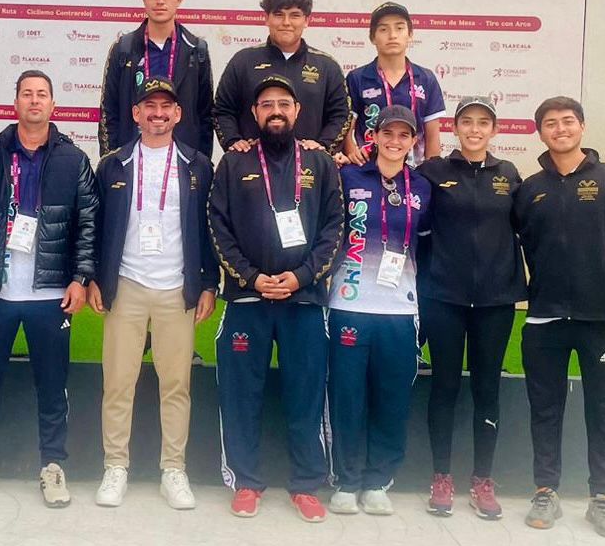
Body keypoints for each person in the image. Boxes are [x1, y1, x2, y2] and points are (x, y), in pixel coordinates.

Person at [0, 70, 98, 509]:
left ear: (53, 104)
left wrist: (80, 278)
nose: (34, 101)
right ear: (14, 103)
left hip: (50, 296)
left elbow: (88, 224)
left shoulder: (73, 160)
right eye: (27, 94)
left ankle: (53, 465)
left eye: (42, 95)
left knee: (52, 388)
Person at [207, 75, 344, 521]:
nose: (276, 111)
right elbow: (217, 226)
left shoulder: (321, 164)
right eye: (266, 104)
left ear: (298, 110)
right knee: (240, 395)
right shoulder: (233, 163)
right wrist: (251, 278)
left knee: (306, 394)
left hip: (303, 302)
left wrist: (300, 277)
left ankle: (306, 485)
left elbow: (334, 229)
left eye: (284, 103)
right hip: (248, 301)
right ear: (254, 113)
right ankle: (246, 481)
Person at [89, 77, 217, 510]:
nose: (157, 113)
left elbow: (208, 229)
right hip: (126, 284)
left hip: (176, 288)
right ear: (136, 113)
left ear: (178, 114)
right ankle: (115, 466)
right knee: (117, 382)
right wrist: (95, 277)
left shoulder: (198, 165)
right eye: (149, 106)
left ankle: (173, 469)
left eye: (166, 106)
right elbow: (96, 226)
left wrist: (208, 283)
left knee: (176, 384)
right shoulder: (113, 164)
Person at [514, 96, 605, 539]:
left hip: (600, 320)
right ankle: (545, 490)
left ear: (581, 126)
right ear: (540, 132)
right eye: (551, 123)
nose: (560, 129)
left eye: (568, 121)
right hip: (544, 319)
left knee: (602, 412)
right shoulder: (530, 189)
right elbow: (520, 244)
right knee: (545, 410)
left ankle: (602, 498)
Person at [418, 96, 526, 519]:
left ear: (494, 130)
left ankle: (482, 479)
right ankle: (441, 476)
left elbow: (526, 230)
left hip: (495, 302)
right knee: (444, 385)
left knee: (487, 388)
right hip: (443, 297)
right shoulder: (433, 172)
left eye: (483, 123)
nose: (475, 129)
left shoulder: (509, 174)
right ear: (455, 128)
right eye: (467, 122)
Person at [327, 105, 432, 517]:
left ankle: (377, 481)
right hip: (349, 304)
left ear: (414, 141)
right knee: (347, 396)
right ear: (373, 136)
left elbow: (427, 246)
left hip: (399, 310)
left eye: (404, 135)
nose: (395, 141)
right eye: (388, 133)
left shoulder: (422, 187)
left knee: (392, 398)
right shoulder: (348, 175)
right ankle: (346, 480)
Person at [213, 0, 350, 154]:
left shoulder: (327, 66)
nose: (286, 22)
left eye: (295, 15)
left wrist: (322, 146)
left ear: (306, 20)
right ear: (266, 18)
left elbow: (341, 115)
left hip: (308, 166)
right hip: (252, 163)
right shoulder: (243, 61)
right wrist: (233, 141)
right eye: (278, 14)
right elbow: (222, 110)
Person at [99, 0, 214, 157]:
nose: (160, 0)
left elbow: (206, 117)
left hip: (181, 162)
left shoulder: (196, 50)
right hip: (132, 161)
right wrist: (112, 163)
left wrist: (199, 166)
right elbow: (108, 113)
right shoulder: (123, 49)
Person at [339, 2, 445, 167]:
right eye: (383, 29)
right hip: (369, 169)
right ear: (372, 37)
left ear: (410, 34)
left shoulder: (426, 79)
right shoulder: (357, 78)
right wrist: (352, 151)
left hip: (413, 172)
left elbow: (432, 137)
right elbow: (347, 128)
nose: (392, 35)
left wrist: (432, 172)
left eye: (399, 28)